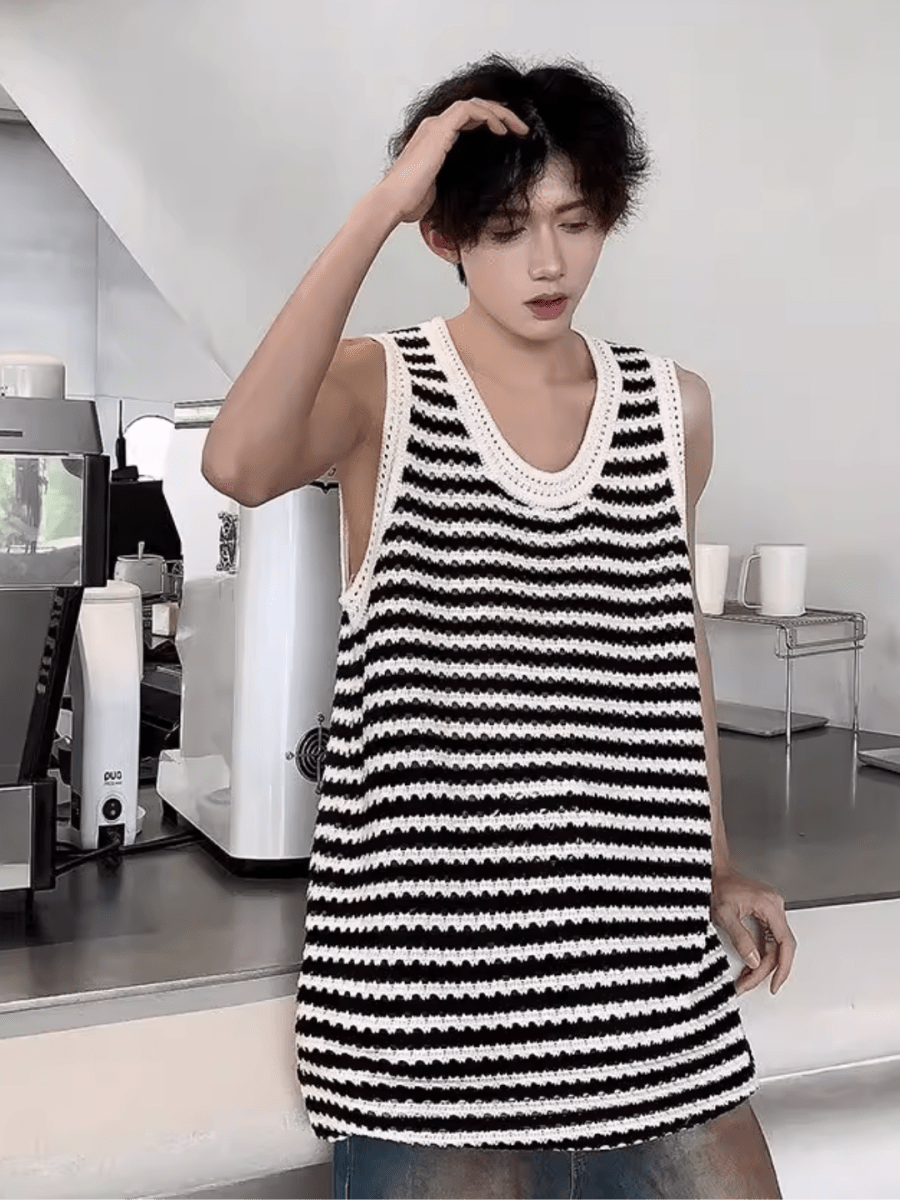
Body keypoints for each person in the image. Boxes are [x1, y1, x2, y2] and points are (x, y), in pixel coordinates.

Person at [202, 52, 797, 1200]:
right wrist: (383, 203)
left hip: (647, 1000)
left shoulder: (672, 407)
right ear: (446, 236)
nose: (548, 262)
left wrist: (718, 863)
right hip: (430, 1022)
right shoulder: (385, 388)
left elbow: (666, 656)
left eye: (575, 221)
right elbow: (238, 462)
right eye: (508, 227)